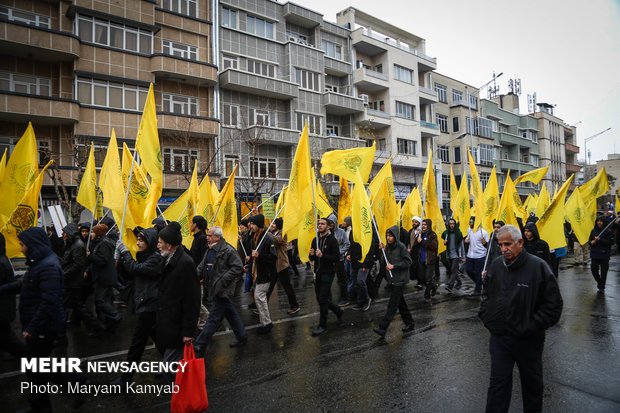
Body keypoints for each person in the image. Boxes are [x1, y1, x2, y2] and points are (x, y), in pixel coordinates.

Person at [0, 227, 86, 411]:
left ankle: (76, 383)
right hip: (38, 326)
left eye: (22, 245)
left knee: (38, 367)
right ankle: (40, 405)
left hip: (43, 329)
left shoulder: (48, 265)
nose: (21, 249)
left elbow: (50, 301)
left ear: (33, 245)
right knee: (35, 369)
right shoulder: (39, 263)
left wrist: (32, 328)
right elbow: (25, 284)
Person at [479, 224, 563, 413]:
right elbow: (486, 294)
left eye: (507, 244)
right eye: (500, 245)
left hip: (528, 340)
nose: (503, 249)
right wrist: (486, 315)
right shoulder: (496, 265)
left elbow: (553, 306)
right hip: (499, 339)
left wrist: (530, 326)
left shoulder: (538, 267)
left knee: (531, 385)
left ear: (520, 243)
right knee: (497, 386)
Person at [113, 228, 162, 385]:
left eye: (141, 240)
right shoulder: (144, 256)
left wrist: (125, 253)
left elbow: (137, 269)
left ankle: (126, 378)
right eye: (138, 240)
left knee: (137, 344)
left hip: (150, 305)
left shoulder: (156, 258)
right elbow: (130, 273)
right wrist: (120, 259)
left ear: (150, 242)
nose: (138, 243)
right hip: (145, 304)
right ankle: (176, 365)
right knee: (160, 341)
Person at [156, 221, 201, 382]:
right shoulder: (167, 259)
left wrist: (188, 331)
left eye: (160, 242)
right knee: (171, 367)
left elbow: (192, 300)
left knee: (171, 369)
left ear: (169, 245)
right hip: (169, 322)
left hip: (178, 326)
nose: (157, 245)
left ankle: (188, 398)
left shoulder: (185, 263)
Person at [194, 226, 248, 354]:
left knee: (213, 317)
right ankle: (242, 337)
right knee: (231, 314)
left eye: (210, 235)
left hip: (221, 289)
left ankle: (201, 343)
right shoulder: (210, 250)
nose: (207, 238)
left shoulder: (228, 250)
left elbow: (238, 267)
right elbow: (202, 267)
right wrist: (193, 277)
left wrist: (223, 280)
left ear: (218, 237)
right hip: (213, 288)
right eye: (207, 235)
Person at [61, 223, 103, 336]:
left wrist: (63, 275)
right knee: (78, 306)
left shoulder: (78, 245)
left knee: (66, 306)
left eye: (64, 232)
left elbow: (77, 265)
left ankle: (60, 334)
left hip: (73, 283)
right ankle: (95, 327)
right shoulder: (72, 244)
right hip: (72, 282)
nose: (62, 234)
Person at [373, 225, 414, 338]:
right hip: (393, 279)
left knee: (392, 305)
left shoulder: (401, 247)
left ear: (396, 236)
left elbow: (408, 262)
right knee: (401, 304)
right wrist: (383, 252)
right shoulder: (389, 247)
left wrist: (394, 266)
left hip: (399, 280)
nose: (388, 238)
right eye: (387, 235)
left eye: (391, 236)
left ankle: (383, 328)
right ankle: (410, 323)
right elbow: (384, 262)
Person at [309, 217, 344, 336]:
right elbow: (313, 258)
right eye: (319, 224)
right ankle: (338, 311)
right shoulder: (315, 239)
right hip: (318, 273)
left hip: (328, 273)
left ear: (328, 227)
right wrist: (312, 255)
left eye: (323, 224)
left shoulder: (332, 240)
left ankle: (322, 325)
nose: (320, 226)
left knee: (323, 299)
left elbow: (336, 257)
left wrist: (323, 255)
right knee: (320, 299)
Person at [87, 224, 122, 330]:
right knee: (105, 300)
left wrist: (90, 256)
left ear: (98, 233)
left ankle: (115, 316)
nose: (91, 234)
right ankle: (108, 320)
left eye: (92, 232)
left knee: (100, 300)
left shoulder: (104, 244)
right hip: (103, 276)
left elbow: (103, 260)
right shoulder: (100, 242)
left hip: (104, 277)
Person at [247, 214, 276, 334]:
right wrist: (250, 259)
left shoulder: (268, 238)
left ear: (259, 225)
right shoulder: (254, 236)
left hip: (266, 273)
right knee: (259, 298)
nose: (251, 226)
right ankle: (265, 322)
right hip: (257, 271)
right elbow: (253, 252)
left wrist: (260, 256)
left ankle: (267, 323)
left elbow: (274, 257)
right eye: (251, 224)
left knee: (260, 297)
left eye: (253, 224)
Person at [267, 218, 300, 315]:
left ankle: (295, 305)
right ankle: (261, 305)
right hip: (275, 264)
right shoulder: (275, 232)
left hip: (282, 265)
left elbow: (277, 240)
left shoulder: (283, 233)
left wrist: (268, 232)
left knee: (287, 286)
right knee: (270, 286)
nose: (272, 225)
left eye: (274, 224)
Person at [0, 233, 25, 359]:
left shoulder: (1, 262)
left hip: (3, 308)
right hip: (4, 308)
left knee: (10, 341)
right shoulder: (3, 259)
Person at [347, 225, 377, 311]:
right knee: (357, 283)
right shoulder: (353, 232)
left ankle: (367, 299)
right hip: (355, 262)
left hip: (364, 263)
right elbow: (351, 245)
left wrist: (366, 265)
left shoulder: (368, 234)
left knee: (360, 281)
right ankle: (360, 302)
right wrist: (349, 254)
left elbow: (370, 251)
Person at [327, 214, 350, 306]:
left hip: (339, 260)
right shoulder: (327, 232)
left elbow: (347, 244)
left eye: (332, 223)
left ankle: (345, 298)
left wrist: (339, 252)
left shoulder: (341, 232)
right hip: (329, 260)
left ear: (335, 223)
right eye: (330, 223)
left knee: (342, 280)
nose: (331, 224)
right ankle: (329, 300)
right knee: (328, 279)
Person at [589, 216, 614, 294]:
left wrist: (600, 240)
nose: (599, 222)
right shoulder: (593, 231)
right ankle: (599, 282)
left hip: (604, 254)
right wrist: (591, 242)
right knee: (594, 269)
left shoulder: (608, 231)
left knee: (604, 272)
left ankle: (601, 287)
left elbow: (611, 242)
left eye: (601, 221)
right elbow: (589, 240)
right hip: (595, 254)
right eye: (598, 221)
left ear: (604, 222)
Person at [464, 217, 489, 296]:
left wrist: (485, 243)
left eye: (471, 222)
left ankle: (478, 290)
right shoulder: (469, 230)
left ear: (476, 223)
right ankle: (480, 283)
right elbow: (468, 238)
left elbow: (488, 245)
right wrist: (466, 240)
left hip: (480, 256)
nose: (469, 223)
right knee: (468, 270)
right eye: (469, 221)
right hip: (470, 255)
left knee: (478, 273)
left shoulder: (484, 232)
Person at [442, 218, 466, 293]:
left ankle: (450, 286)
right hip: (449, 254)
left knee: (453, 270)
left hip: (456, 255)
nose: (452, 225)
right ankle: (459, 281)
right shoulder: (446, 233)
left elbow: (462, 246)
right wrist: (445, 242)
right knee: (453, 270)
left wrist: (463, 257)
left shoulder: (458, 233)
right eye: (450, 224)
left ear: (455, 224)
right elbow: (444, 241)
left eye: (453, 224)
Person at [417, 218, 438, 302]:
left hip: (429, 260)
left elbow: (433, 246)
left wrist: (422, 241)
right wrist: (417, 236)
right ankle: (434, 286)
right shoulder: (421, 234)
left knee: (428, 279)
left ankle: (427, 296)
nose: (423, 226)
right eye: (422, 224)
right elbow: (415, 244)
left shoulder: (432, 235)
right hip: (421, 260)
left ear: (428, 225)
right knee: (422, 279)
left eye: (425, 225)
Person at [408, 217, 423, 288]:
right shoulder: (411, 231)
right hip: (412, 253)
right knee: (414, 267)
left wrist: (419, 234)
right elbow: (408, 241)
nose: (414, 223)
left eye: (416, 222)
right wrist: (408, 248)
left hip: (419, 253)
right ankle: (419, 281)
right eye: (413, 222)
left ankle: (421, 283)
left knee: (420, 268)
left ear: (419, 223)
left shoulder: (421, 232)